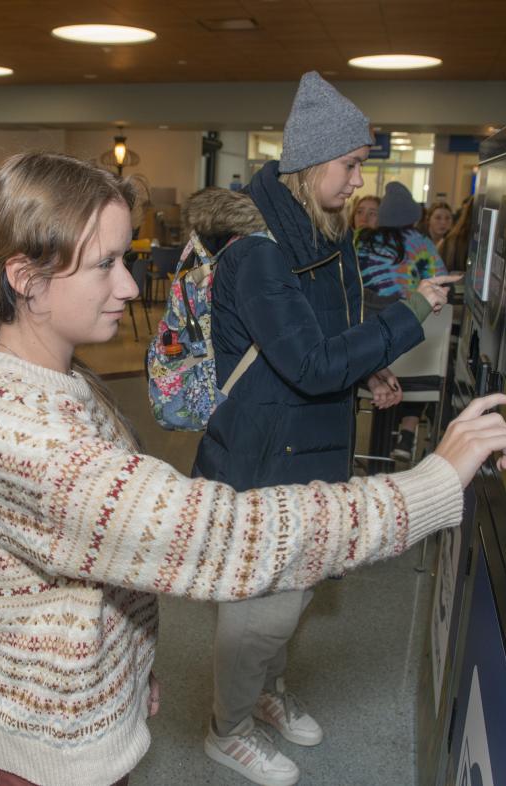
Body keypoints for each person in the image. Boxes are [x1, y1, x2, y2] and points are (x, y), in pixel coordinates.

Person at [0, 149, 506, 786]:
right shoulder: (37, 442)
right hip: (54, 759)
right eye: (106, 265)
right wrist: (432, 482)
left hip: (75, 722)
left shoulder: (46, 382)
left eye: (125, 260)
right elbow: (233, 535)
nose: (130, 286)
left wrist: (121, 667)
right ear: (27, 278)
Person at [186, 73, 458, 786]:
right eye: (351, 165)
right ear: (309, 165)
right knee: (260, 608)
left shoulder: (319, 230)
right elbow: (308, 362)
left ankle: (263, 694)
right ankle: (228, 728)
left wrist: (364, 371)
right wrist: (409, 315)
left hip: (304, 443)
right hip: (264, 451)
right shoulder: (260, 250)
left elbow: (323, 335)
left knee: (294, 591)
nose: (359, 178)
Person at [356, 182, 448, 461]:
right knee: (419, 352)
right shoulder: (422, 243)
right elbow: (441, 287)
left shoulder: (361, 240)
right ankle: (407, 432)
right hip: (415, 360)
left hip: (367, 357)